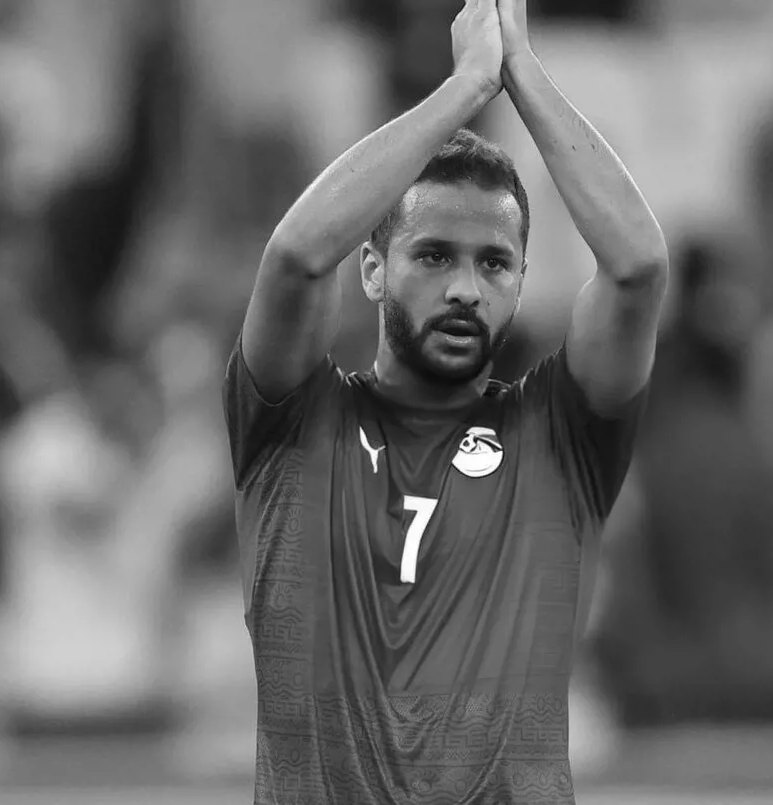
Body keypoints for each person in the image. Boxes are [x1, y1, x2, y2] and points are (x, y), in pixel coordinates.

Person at [223, 0, 667, 802]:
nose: (465, 288)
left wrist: (520, 72)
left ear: (521, 281)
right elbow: (293, 258)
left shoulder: (557, 436)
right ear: (371, 269)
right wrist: (466, 87)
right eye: (433, 255)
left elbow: (637, 266)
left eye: (494, 263)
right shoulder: (293, 422)